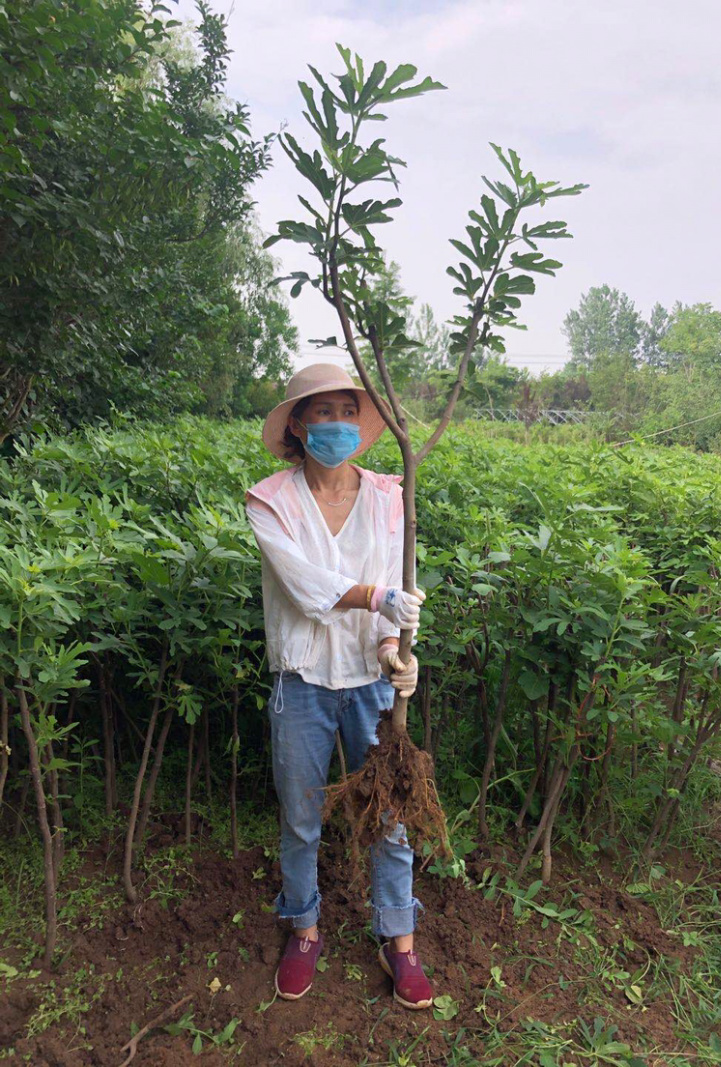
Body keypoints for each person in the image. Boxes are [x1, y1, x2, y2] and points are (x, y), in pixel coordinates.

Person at [244, 363, 433, 1010]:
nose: (336, 425)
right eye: (321, 413)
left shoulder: (389, 496)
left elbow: (392, 604)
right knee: (301, 817)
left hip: (370, 688)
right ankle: (303, 925)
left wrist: (394, 653)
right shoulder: (269, 500)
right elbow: (306, 588)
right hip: (301, 684)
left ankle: (399, 939)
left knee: (390, 815)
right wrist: (380, 597)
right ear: (298, 424)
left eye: (346, 412)